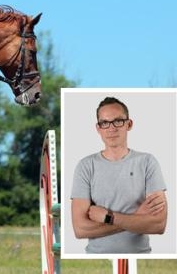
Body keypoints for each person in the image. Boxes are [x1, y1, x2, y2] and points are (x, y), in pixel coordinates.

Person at [70, 96, 168, 253]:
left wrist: (109, 217)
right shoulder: (85, 166)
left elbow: (158, 225)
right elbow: (80, 229)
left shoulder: (148, 162)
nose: (111, 128)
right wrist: (137, 217)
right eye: (105, 123)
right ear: (98, 128)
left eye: (118, 121)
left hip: (140, 258)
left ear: (129, 124)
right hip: (95, 260)